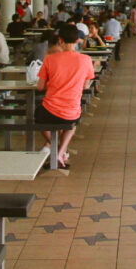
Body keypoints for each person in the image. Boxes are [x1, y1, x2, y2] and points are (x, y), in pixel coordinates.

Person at [35, 24, 95, 168]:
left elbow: (40, 87)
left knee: (38, 117)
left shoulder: (50, 59)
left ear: (60, 41)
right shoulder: (86, 60)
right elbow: (85, 86)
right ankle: (60, 152)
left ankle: (57, 149)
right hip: (72, 111)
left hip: (49, 111)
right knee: (71, 125)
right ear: (77, 41)